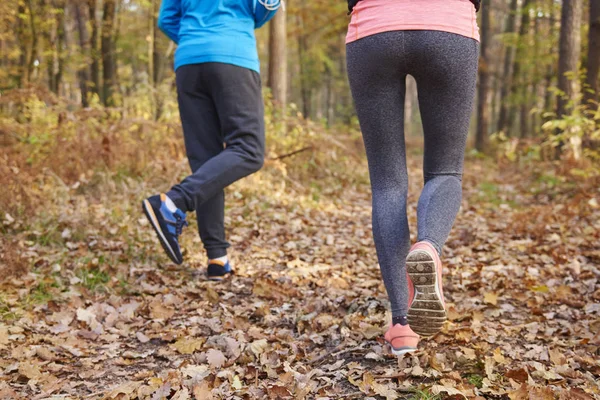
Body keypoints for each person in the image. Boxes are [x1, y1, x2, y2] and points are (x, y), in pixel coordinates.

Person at [345, 0, 480, 354]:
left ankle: (402, 325)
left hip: (373, 29)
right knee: (446, 170)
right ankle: (428, 246)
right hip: (449, 26)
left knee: (387, 183)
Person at [142, 0, 281, 280]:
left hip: (189, 61)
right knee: (249, 150)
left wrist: (198, 38)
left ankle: (217, 259)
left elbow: (166, 20)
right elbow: (266, 7)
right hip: (233, 57)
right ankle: (173, 202)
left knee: (206, 161)